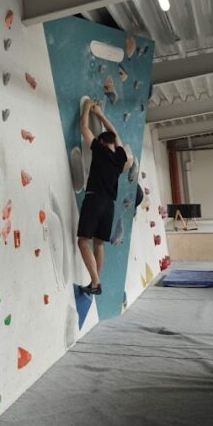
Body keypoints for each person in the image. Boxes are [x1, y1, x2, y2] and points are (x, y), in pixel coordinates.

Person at [77, 99, 131, 296]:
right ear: (113, 144)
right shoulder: (120, 158)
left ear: (101, 142)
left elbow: (84, 127)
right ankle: (94, 282)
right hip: (109, 205)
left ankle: (96, 282)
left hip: (94, 200)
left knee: (83, 241)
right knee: (98, 243)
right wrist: (99, 114)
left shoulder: (99, 151)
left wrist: (86, 107)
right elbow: (115, 134)